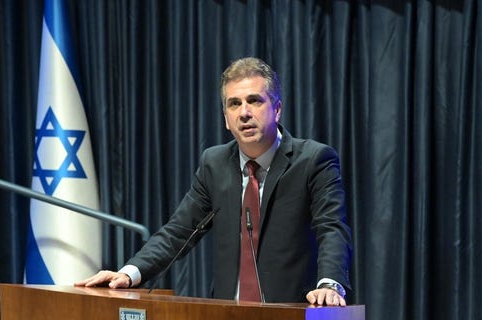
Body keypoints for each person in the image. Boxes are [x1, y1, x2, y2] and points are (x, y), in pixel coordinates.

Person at [76, 57, 352, 306]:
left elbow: (331, 227)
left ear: (277, 109)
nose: (244, 112)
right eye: (234, 104)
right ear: (226, 118)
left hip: (290, 311)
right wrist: (128, 273)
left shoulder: (313, 160)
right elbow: (178, 231)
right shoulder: (215, 163)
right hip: (225, 312)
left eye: (254, 100)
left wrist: (329, 283)